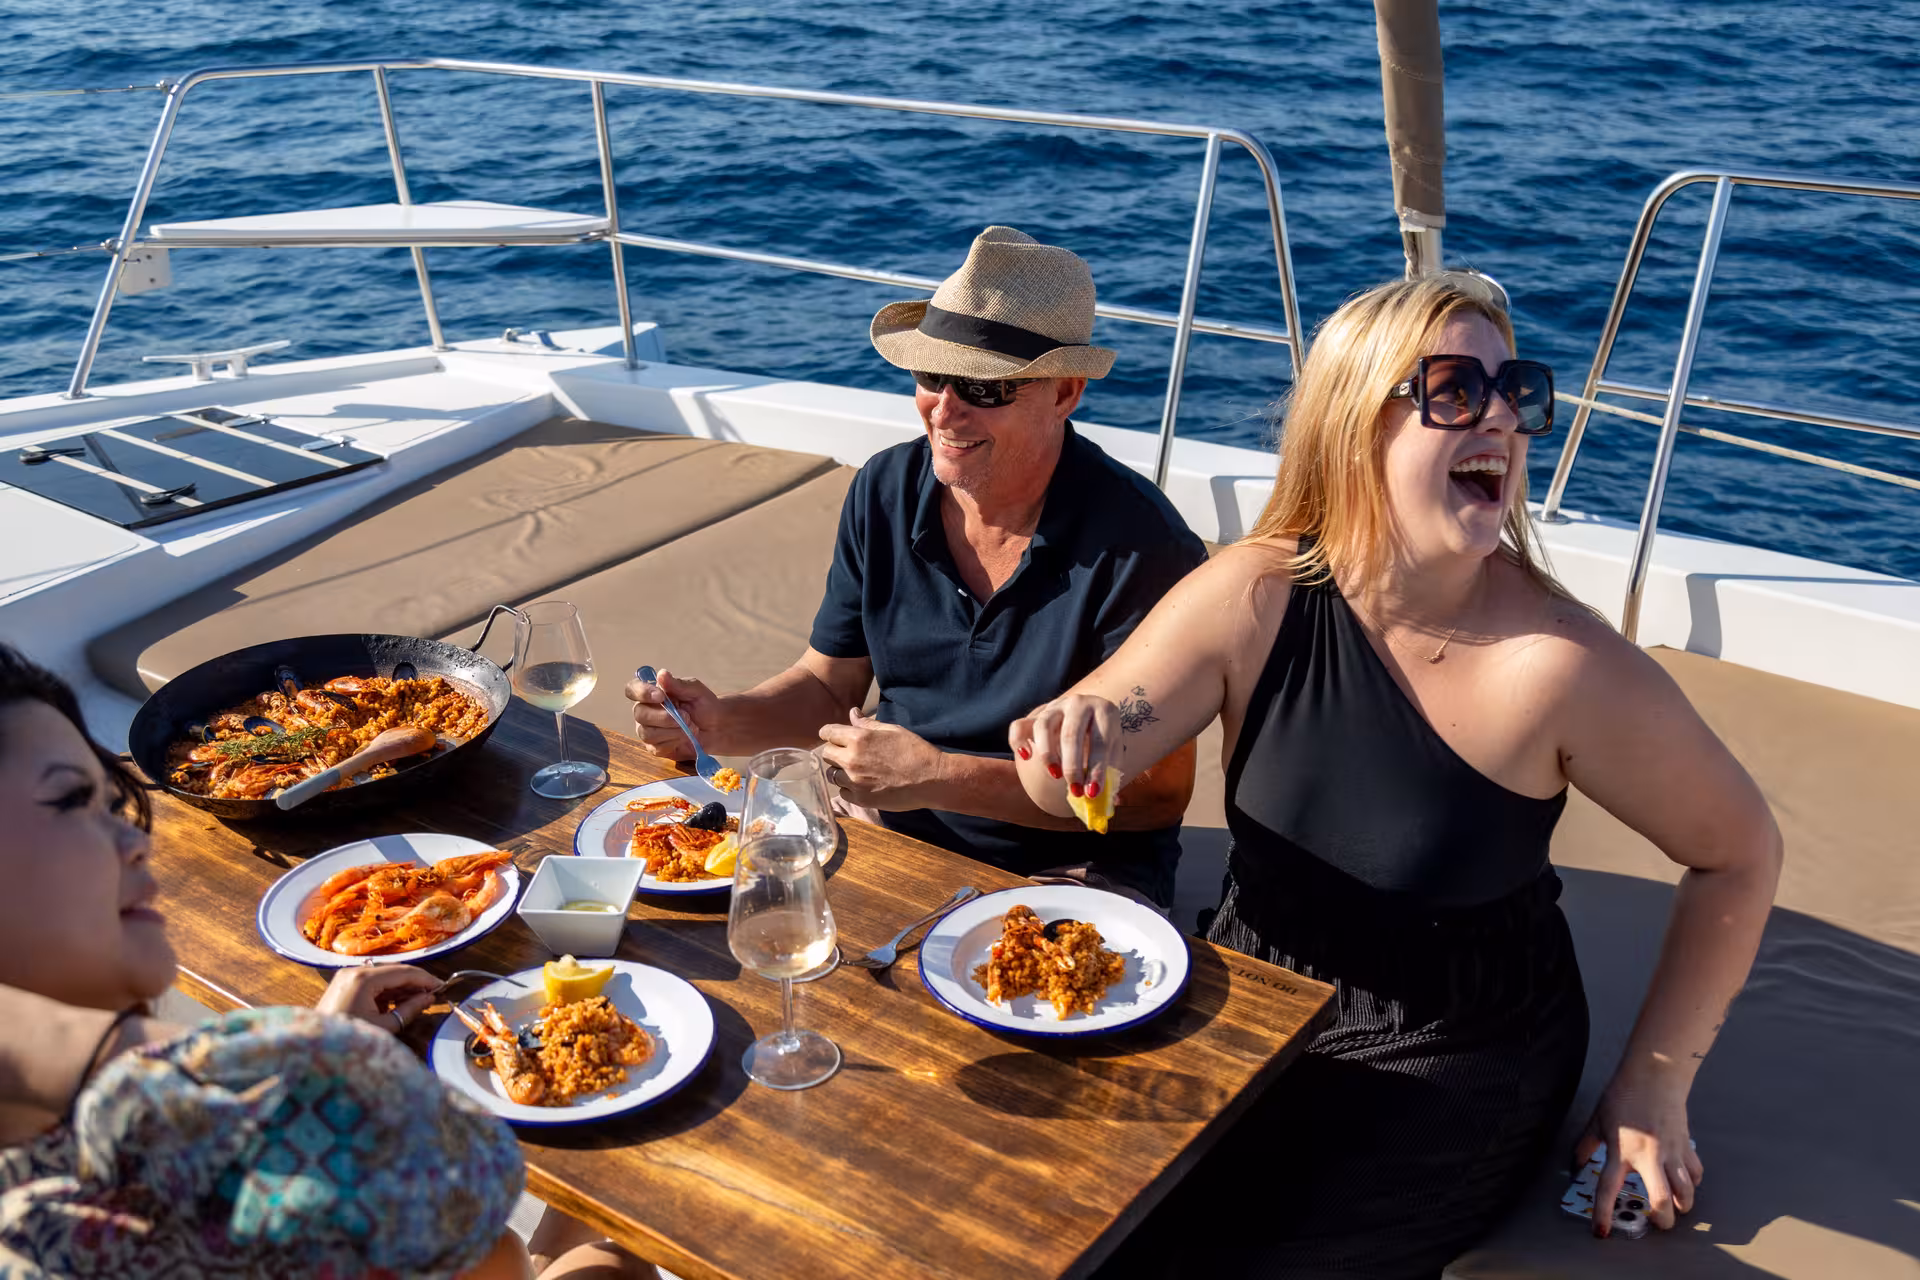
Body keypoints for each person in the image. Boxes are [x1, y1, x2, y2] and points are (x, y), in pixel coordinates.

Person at [1010, 273, 1782, 1276]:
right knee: (1048, 1207)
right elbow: (1075, 761)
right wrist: (1072, 730)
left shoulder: (1558, 667)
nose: (1501, 415)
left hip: (1452, 1043)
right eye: (1456, 389)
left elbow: (1740, 851)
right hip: (1251, 989)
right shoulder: (1256, 593)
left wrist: (1654, 1083)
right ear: (1353, 423)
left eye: (1517, 390)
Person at [0, 644, 644, 1279]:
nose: (135, 839)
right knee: (618, 1247)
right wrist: (304, 1059)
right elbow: (478, 1209)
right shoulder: (224, 1099)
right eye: (68, 803)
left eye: (110, 802)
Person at [627, 226, 1207, 905]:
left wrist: (936, 776)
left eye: (984, 387)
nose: (945, 407)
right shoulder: (884, 488)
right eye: (931, 375)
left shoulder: (1146, 548)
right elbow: (827, 687)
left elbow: (1151, 798)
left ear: (1065, 393)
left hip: (1069, 864)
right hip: (891, 818)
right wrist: (719, 721)